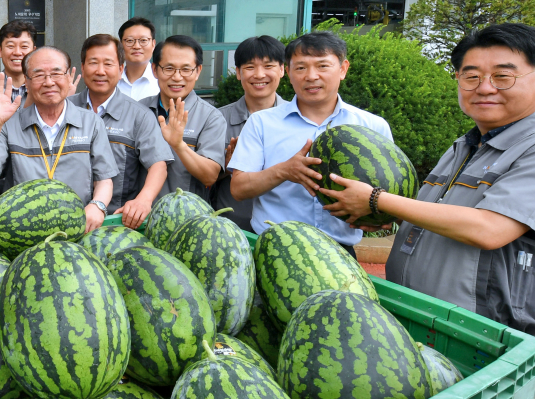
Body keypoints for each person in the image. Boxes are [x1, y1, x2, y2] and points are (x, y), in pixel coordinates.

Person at [321, 24, 535, 336]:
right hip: (418, 317)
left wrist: (377, 199)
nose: (485, 88)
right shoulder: (467, 146)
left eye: (503, 77)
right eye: (471, 76)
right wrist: (393, 218)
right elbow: (445, 215)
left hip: (479, 332)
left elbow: (490, 229)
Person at [229, 31, 392, 256]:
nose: (311, 76)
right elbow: (238, 188)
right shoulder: (262, 123)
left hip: (340, 253)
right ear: (288, 71)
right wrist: (284, 171)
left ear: (343, 69)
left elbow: (388, 194)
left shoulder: (372, 126)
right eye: (301, 67)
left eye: (322, 66)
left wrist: (378, 215)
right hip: (274, 250)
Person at [0, 46, 118, 232]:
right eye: (39, 75)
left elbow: (104, 178)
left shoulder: (91, 122)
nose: (49, 82)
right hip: (24, 232)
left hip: (78, 228)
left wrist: (98, 206)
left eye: (56, 73)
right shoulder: (9, 125)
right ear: (26, 81)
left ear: (69, 77)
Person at [69, 33, 172, 229]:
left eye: (108, 64)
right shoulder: (66, 109)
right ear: (82, 67)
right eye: (93, 63)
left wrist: (143, 200)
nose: (100, 71)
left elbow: (158, 165)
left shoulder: (139, 115)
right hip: (69, 219)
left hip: (116, 222)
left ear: (121, 69)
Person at [140, 35, 228, 203]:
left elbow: (210, 176)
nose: (177, 77)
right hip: (139, 217)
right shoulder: (137, 111)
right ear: (154, 70)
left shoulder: (211, 118)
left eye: (186, 69)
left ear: (198, 71)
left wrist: (179, 145)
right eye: (169, 68)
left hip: (188, 221)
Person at [213, 36, 288, 231]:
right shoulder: (216, 119)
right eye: (249, 67)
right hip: (230, 227)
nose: (259, 74)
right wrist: (225, 169)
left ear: (282, 69)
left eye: (268, 66)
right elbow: (200, 180)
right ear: (238, 72)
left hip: (283, 228)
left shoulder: (297, 120)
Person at [118, 17, 160, 100]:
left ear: (153, 44)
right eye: (130, 41)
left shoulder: (162, 81)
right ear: (120, 45)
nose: (136, 46)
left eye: (143, 40)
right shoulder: (112, 81)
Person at [0, 20, 36, 105]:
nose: (17, 52)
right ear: (0, 50)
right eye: (10, 46)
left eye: (24, 46)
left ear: (34, 51)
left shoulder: (43, 89)